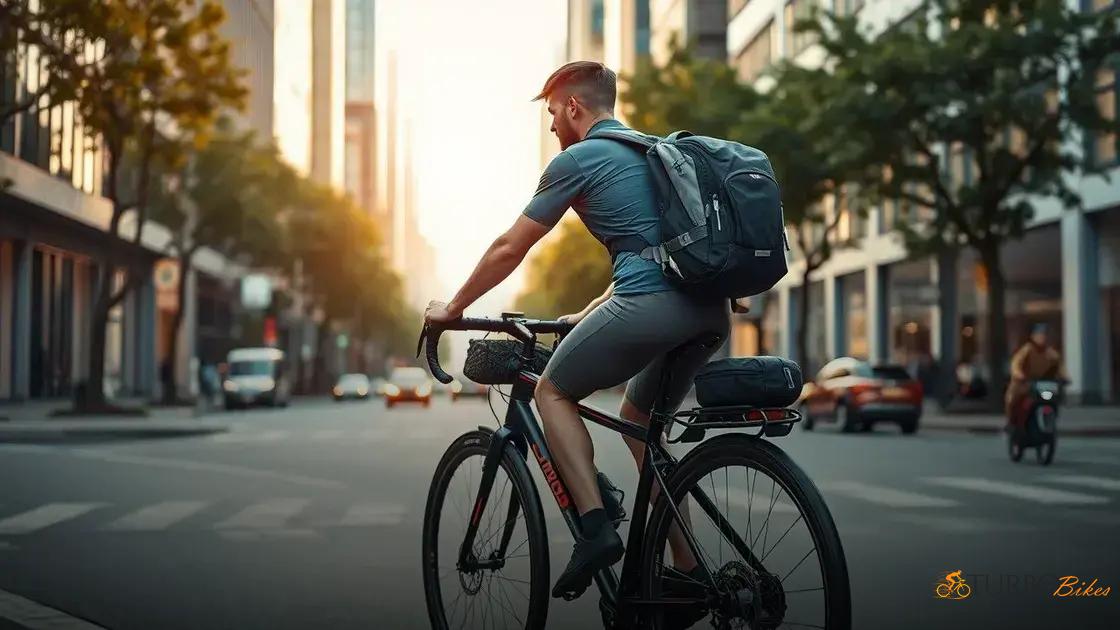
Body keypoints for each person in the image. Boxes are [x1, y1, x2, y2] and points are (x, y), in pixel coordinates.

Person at [425, 61, 730, 600]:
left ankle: (594, 530)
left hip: (651, 307)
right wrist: (584, 316)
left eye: (552, 113)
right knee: (638, 420)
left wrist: (453, 308)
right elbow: (649, 252)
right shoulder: (655, 152)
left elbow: (509, 247)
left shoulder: (579, 159)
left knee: (552, 392)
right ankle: (688, 571)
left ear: (573, 106)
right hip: (709, 312)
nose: (550, 126)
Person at [1005, 323, 1068, 421]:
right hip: (1026, 383)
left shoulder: (1051, 353)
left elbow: (1060, 367)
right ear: (1033, 337)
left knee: (1053, 398)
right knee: (1012, 399)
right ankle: (1012, 421)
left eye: (1044, 335)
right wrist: (1019, 375)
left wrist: (1064, 377)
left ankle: (1051, 418)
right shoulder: (1027, 350)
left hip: (1043, 384)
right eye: (1039, 335)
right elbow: (1016, 364)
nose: (1042, 338)